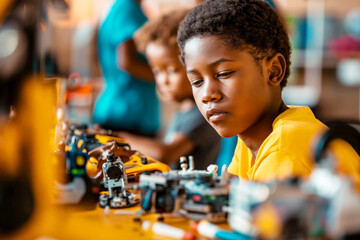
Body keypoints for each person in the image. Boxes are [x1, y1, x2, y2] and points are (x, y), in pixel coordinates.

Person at [177, 0, 360, 188]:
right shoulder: (255, 136)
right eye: (197, 82)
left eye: (224, 74)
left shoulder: (285, 148)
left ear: (273, 71)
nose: (208, 94)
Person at [119, 9, 221, 170]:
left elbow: (165, 154)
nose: (163, 80)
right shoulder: (184, 110)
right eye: (157, 71)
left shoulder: (204, 114)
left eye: (172, 70)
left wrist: (119, 138)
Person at [93, 0, 159, 136]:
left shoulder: (122, 8)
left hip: (126, 111)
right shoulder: (127, 8)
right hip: (126, 114)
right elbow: (127, 62)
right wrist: (167, 76)